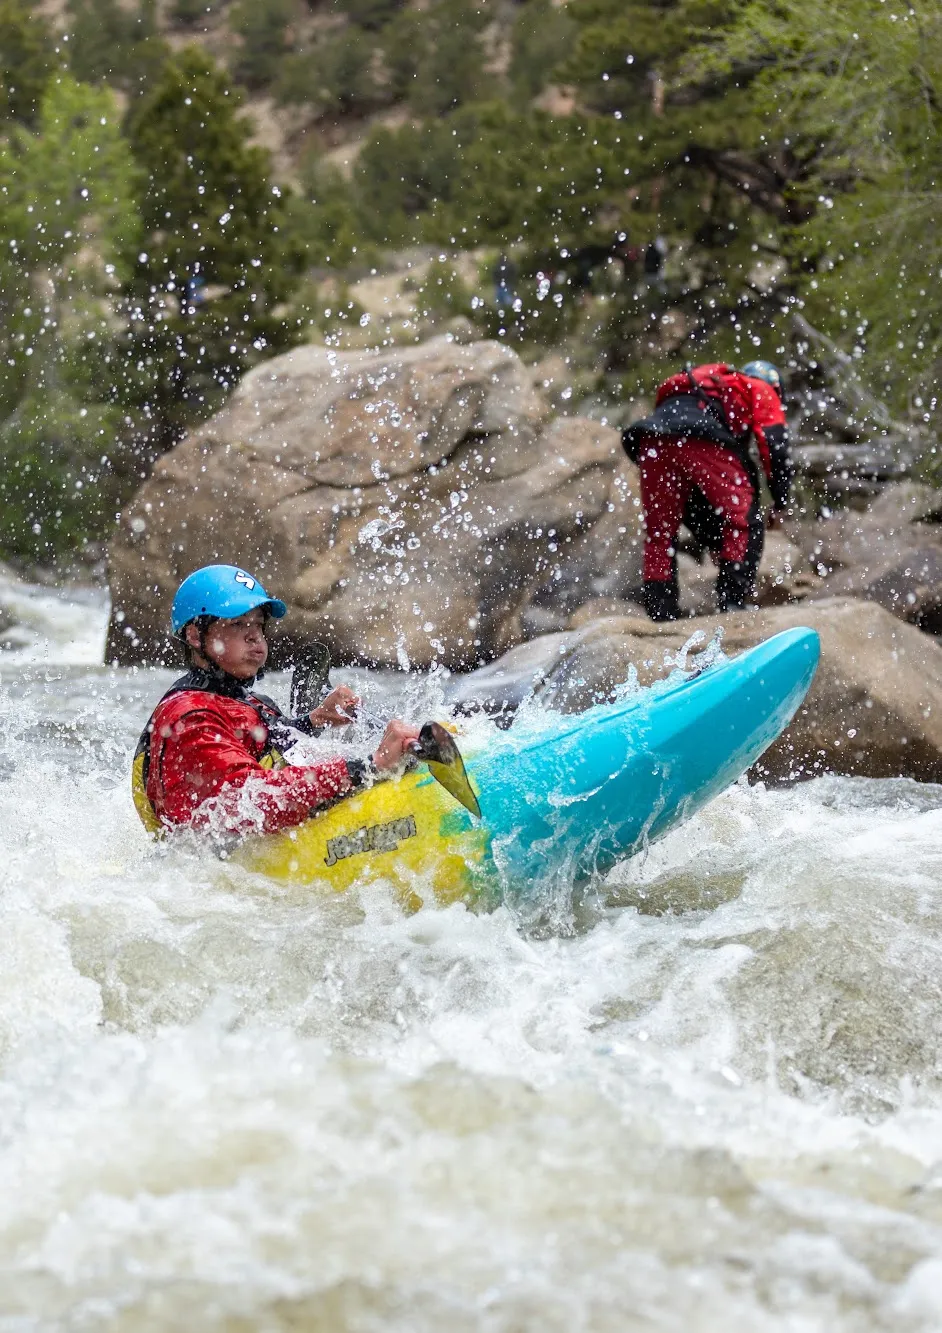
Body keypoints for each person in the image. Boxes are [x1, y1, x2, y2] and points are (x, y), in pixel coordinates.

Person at [132, 565, 420, 837]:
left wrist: (313, 721)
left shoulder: (247, 701)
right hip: (227, 865)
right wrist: (371, 765)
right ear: (195, 636)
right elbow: (256, 799)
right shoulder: (190, 718)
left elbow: (265, 750)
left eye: (258, 625)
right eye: (237, 624)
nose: (255, 637)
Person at [622, 360, 792, 621]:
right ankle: (732, 606)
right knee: (745, 520)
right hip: (699, 438)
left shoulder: (698, 383)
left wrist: (713, 540)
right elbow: (774, 445)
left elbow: (697, 496)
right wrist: (781, 501)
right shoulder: (759, 387)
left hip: (652, 441)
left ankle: (661, 615)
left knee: (660, 535)